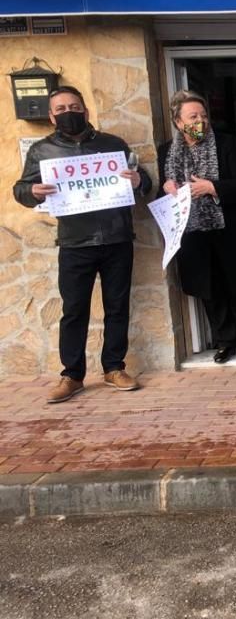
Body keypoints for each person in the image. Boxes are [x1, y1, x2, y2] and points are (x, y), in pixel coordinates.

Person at [13, 86, 151, 403]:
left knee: (118, 307)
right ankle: (72, 375)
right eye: (60, 109)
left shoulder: (112, 145)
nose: (68, 113)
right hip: (75, 243)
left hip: (117, 238)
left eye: (74, 106)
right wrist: (31, 192)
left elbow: (143, 179)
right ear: (51, 116)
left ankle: (114, 368)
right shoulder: (42, 152)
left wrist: (139, 180)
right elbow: (21, 188)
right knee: (74, 310)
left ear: (86, 111)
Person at [158, 90, 236, 364]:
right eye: (193, 117)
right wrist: (166, 188)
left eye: (203, 115)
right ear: (178, 122)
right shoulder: (167, 151)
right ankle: (225, 341)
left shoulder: (226, 144)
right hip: (194, 235)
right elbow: (162, 195)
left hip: (232, 228)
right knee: (210, 290)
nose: (200, 121)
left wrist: (212, 187)